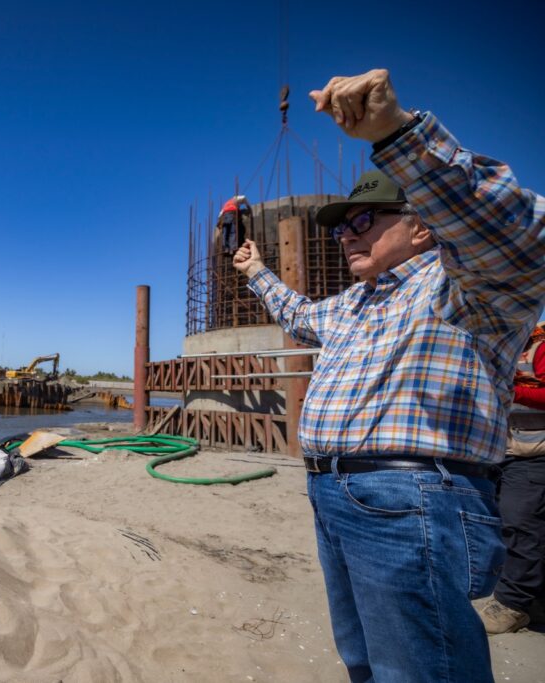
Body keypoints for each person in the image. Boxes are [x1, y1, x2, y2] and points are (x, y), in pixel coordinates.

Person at [232, 69, 545, 682]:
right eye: (341, 225)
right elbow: (300, 314)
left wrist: (398, 136)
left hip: (414, 499)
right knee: (366, 663)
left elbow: (516, 237)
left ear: (423, 224)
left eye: (364, 220)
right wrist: (256, 270)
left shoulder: (465, 286)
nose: (346, 234)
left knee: (421, 671)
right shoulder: (356, 301)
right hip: (333, 493)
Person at [479, 322, 545, 633]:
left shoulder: (538, 346)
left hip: (533, 453)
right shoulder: (503, 345)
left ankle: (512, 604)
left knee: (519, 524)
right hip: (502, 451)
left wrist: (506, 388)